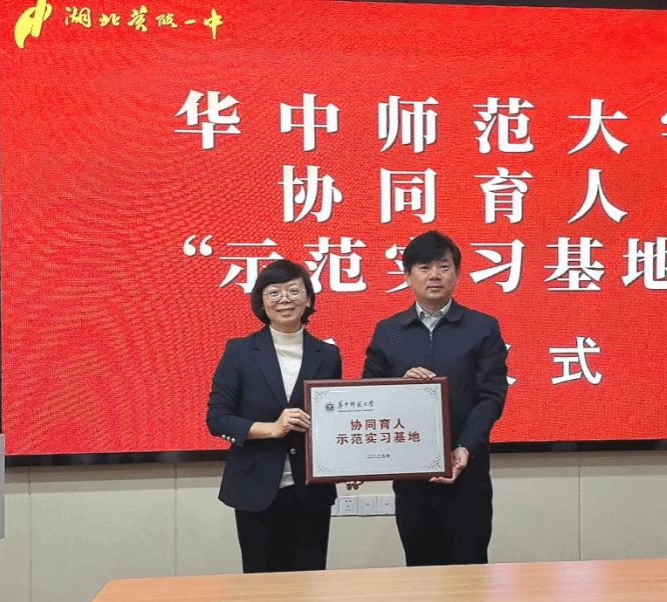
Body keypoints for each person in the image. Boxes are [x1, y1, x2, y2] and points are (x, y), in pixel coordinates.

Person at [363, 230, 508, 566]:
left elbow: (491, 396)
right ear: (408, 276)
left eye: (443, 267)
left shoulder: (482, 327)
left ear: (457, 274)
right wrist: (400, 384)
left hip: (467, 472)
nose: (434, 275)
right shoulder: (388, 331)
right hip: (410, 475)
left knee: (469, 569)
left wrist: (465, 448)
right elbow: (369, 393)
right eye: (424, 267)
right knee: (419, 569)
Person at [207, 259, 340, 573]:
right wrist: (272, 429)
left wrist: (351, 462)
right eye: (274, 292)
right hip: (255, 488)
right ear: (261, 302)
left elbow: (332, 419)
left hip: (311, 490)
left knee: (310, 582)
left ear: (308, 298)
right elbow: (217, 418)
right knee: (261, 584)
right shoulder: (239, 351)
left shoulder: (328, 354)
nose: (285, 299)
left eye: (294, 290)